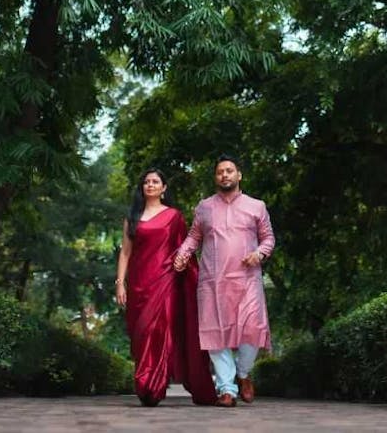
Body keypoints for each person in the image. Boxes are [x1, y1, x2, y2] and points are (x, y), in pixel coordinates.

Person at [173, 154, 275, 407]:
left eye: (230, 171)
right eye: (220, 172)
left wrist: (259, 253)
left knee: (251, 330)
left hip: (247, 280)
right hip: (213, 281)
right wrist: (182, 255)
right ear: (215, 177)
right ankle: (227, 389)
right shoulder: (204, 207)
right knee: (214, 334)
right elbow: (193, 237)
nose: (225, 175)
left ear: (239, 175)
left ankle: (243, 374)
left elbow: (268, 239)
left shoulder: (256, 206)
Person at [115, 168, 215, 406]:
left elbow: (185, 249)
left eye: (155, 181)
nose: (150, 185)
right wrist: (121, 283)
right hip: (139, 284)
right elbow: (125, 253)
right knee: (141, 334)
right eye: (146, 181)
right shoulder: (132, 217)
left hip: (166, 281)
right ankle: (146, 382)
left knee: (160, 331)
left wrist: (184, 266)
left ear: (163, 188)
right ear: (142, 187)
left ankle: (153, 386)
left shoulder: (174, 217)